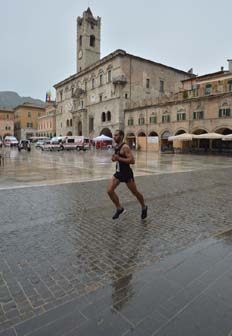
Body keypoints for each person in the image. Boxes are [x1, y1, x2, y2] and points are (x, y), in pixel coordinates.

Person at [107, 129, 148, 220]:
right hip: (118, 172)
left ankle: (144, 206)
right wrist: (114, 158)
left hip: (127, 173)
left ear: (121, 136)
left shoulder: (125, 147)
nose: (114, 137)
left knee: (135, 192)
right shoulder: (116, 146)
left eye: (116, 135)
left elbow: (132, 161)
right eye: (114, 135)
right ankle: (119, 208)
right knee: (109, 191)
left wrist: (119, 158)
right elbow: (116, 157)